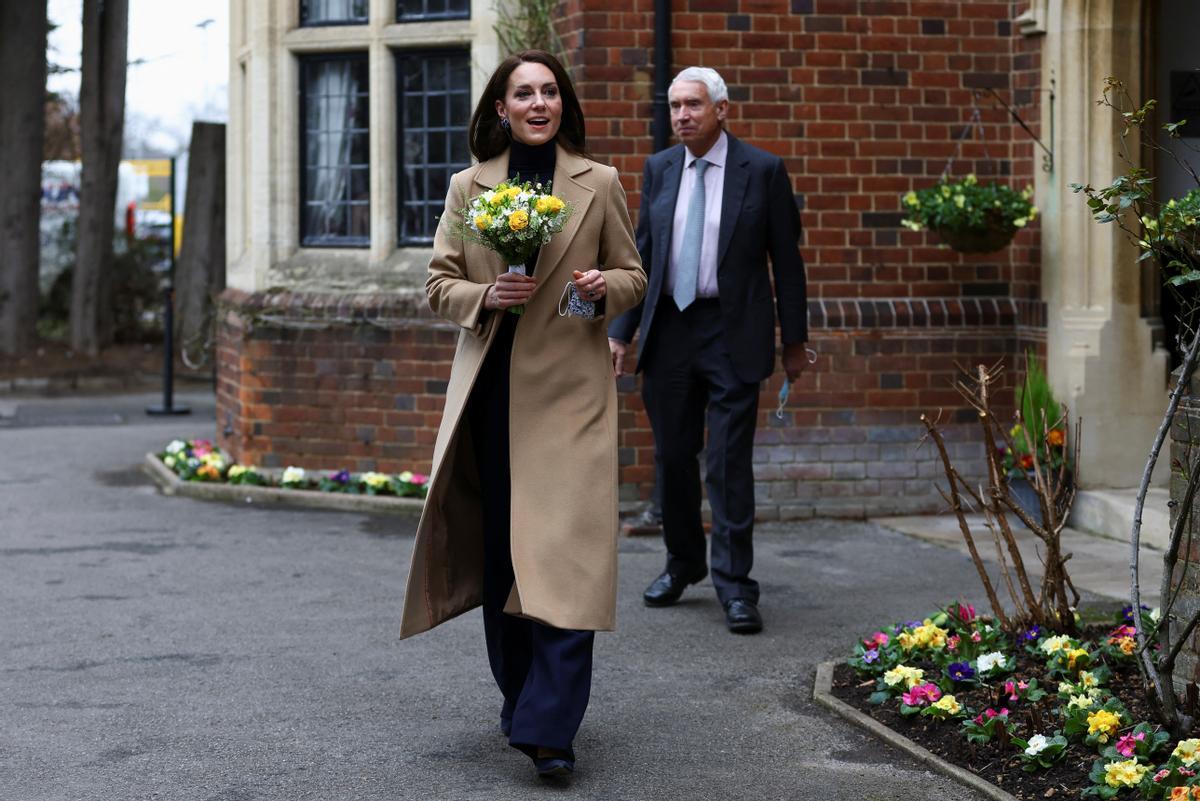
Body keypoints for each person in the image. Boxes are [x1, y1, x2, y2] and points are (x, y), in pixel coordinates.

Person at [398, 50, 646, 778]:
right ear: (500, 109)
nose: (539, 103)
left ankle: (552, 728)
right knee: (506, 560)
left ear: (562, 103)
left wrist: (603, 287)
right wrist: (485, 297)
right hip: (492, 397)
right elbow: (439, 283)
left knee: (566, 559)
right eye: (523, 93)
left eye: (549, 91)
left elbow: (635, 274)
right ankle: (522, 701)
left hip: (571, 398)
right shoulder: (467, 186)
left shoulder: (597, 183)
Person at [607, 67, 809, 635]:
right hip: (668, 330)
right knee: (673, 459)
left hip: (732, 332)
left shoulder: (763, 171)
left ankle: (735, 585)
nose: (681, 115)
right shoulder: (660, 168)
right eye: (674, 106)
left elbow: (787, 267)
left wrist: (795, 343)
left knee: (725, 463)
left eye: (693, 104)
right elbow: (641, 254)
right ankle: (683, 563)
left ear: (722, 109)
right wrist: (621, 331)